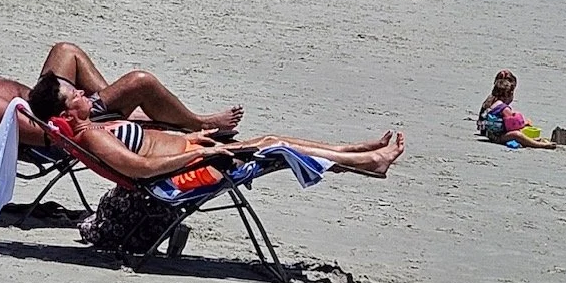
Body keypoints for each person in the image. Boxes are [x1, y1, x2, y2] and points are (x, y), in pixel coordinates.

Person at [28, 72, 405, 178]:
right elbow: (140, 169)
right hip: (194, 168)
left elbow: (146, 144)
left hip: (196, 152)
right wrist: (208, 152)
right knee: (273, 146)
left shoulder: (94, 128)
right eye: (74, 93)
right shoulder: (91, 136)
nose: (82, 92)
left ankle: (352, 153)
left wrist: (190, 136)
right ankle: (365, 161)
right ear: (65, 113)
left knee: (272, 142)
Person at [0, 42, 243, 147]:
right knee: (141, 81)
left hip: (47, 98)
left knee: (66, 51)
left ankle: (118, 107)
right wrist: (84, 120)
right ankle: (198, 122)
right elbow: (41, 136)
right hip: (63, 118)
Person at [476, 70, 555, 149]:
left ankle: (530, 140)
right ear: (509, 94)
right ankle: (540, 145)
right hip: (497, 137)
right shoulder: (504, 108)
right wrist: (525, 123)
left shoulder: (490, 102)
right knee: (517, 135)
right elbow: (512, 127)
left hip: (488, 133)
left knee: (518, 134)